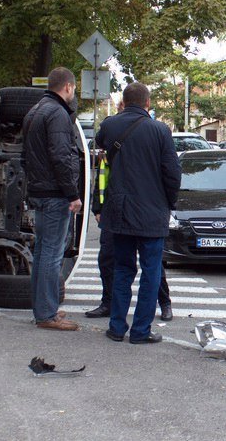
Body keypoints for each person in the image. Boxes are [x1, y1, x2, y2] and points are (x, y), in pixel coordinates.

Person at [95, 82, 181, 344]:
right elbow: (172, 172)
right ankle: (141, 331)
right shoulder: (160, 130)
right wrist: (169, 202)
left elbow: (99, 151)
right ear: (148, 103)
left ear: (124, 101)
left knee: (122, 269)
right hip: (151, 212)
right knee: (151, 271)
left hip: (119, 211)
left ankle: (116, 327)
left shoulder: (110, 126)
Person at [21, 67, 84, 331]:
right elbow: (61, 156)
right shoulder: (57, 113)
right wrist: (72, 194)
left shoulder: (35, 111)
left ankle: (43, 310)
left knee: (42, 252)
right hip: (55, 194)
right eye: (74, 89)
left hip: (39, 190)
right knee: (51, 254)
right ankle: (47, 314)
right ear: (68, 87)